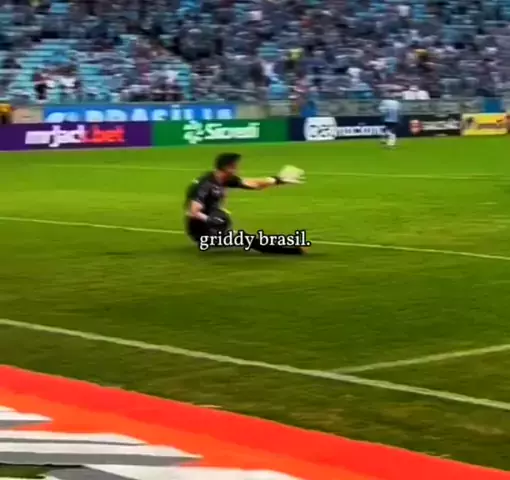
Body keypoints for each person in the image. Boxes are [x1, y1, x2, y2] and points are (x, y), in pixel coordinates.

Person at [184, 152, 308, 255]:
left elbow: (254, 184)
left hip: (215, 224)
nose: (237, 169)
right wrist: (211, 220)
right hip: (202, 231)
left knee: (242, 238)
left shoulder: (222, 179)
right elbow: (193, 211)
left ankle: (290, 247)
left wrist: (278, 180)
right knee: (246, 239)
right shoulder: (205, 185)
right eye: (235, 166)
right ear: (227, 168)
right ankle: (293, 250)